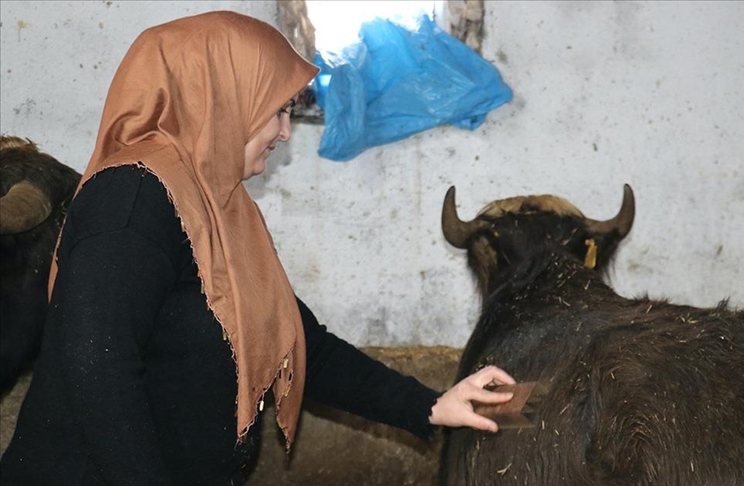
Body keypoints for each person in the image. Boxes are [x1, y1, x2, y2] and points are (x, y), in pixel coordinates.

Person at [0, 11, 514, 485]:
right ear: (222, 99)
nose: (286, 132)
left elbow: (298, 339)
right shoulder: (132, 198)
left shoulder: (217, 202)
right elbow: (99, 369)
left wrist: (428, 404)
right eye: (277, 112)